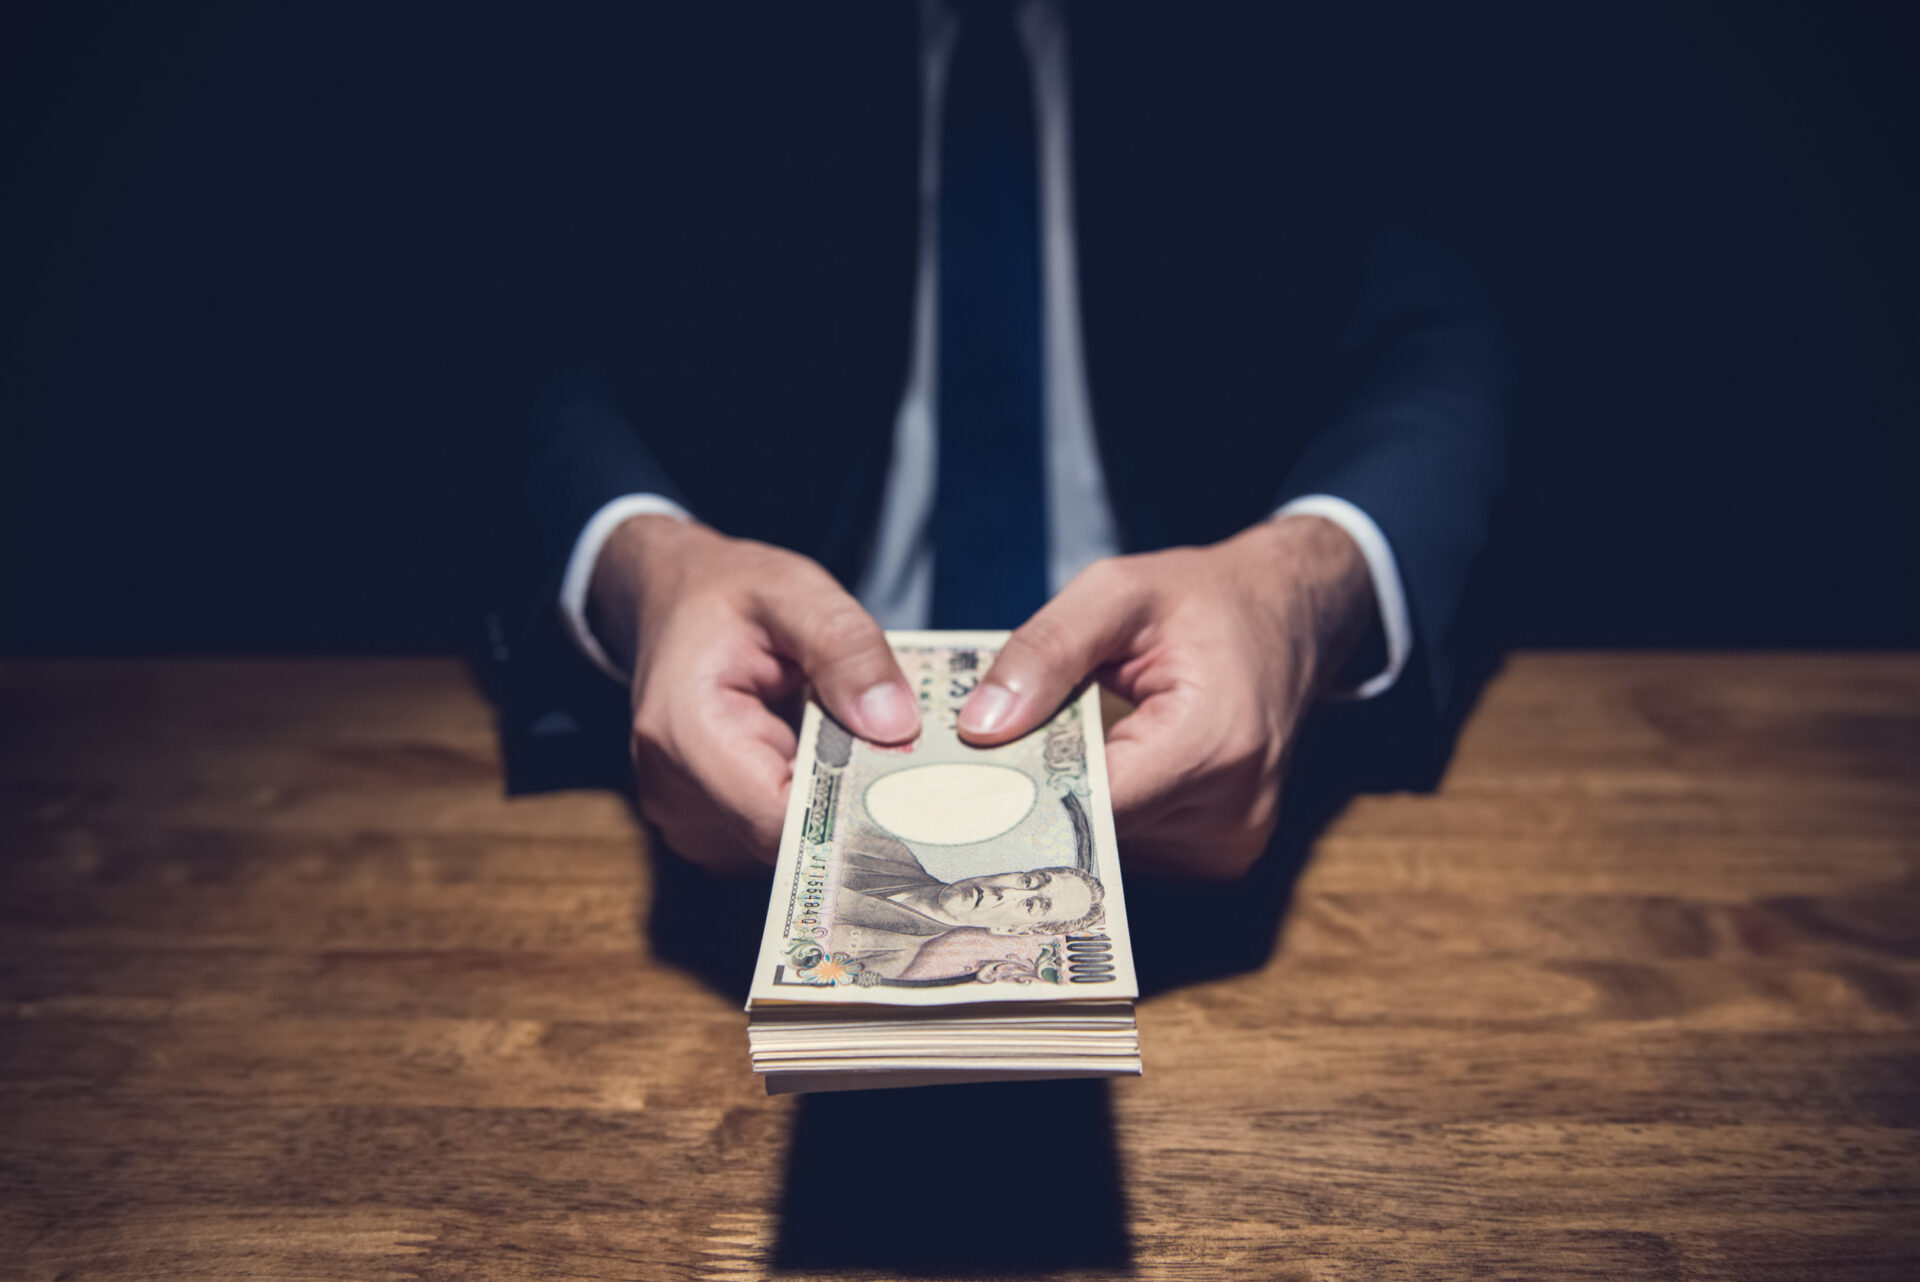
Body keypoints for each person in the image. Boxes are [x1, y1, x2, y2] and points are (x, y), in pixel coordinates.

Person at [500, 4, 1513, 882]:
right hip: (747, 782)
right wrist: (643, 563)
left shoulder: (1308, 37)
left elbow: (1441, 329)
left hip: (1232, 776)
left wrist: (1301, 590)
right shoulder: (675, 38)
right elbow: (530, 336)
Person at [829, 826, 1104, 980]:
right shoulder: (882, 847)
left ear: (1011, 931)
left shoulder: (888, 960)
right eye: (1028, 882)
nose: (1003, 892)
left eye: (1031, 905)